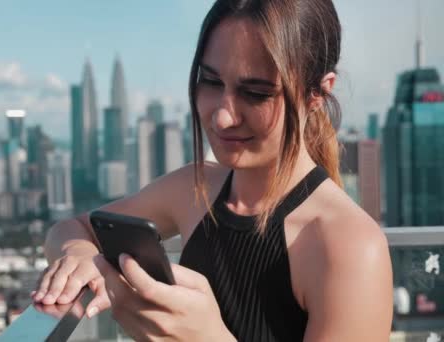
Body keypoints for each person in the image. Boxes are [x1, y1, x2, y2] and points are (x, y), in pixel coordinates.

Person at [33, 0, 393, 340]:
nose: (222, 116)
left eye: (255, 92)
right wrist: (78, 255)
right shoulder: (195, 186)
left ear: (317, 93)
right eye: (210, 81)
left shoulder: (349, 245)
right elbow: (71, 227)